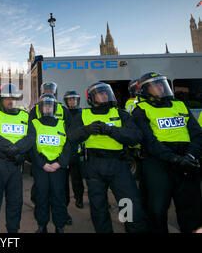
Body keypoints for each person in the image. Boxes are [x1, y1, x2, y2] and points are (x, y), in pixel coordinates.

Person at [69, 82, 148, 233]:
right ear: (91, 98)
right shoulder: (84, 115)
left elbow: (135, 136)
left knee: (127, 203)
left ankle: (131, 229)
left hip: (118, 165)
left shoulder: (120, 113)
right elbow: (71, 137)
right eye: (100, 93)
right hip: (94, 165)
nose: (105, 96)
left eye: (106, 93)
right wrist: (86, 130)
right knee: (98, 207)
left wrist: (110, 130)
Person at [132, 72, 202, 233]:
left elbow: (197, 134)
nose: (160, 88)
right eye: (154, 86)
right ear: (144, 91)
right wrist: (174, 159)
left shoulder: (180, 105)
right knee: (157, 210)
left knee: (192, 210)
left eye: (161, 84)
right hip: (159, 162)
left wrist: (190, 156)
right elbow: (149, 141)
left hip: (186, 159)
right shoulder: (140, 110)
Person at [0, 83, 34, 233]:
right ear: (1, 99)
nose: (11, 101)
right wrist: (10, 148)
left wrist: (18, 149)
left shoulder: (25, 115)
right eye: (7, 98)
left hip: (15, 167)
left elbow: (30, 137)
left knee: (15, 204)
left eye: (14, 98)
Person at [29, 81, 73, 225]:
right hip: (40, 162)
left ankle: (62, 217)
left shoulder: (63, 110)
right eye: (46, 90)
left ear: (55, 92)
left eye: (51, 90)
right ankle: (42, 222)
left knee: (60, 193)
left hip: (58, 163)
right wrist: (40, 162)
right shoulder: (34, 110)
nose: (48, 92)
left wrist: (61, 162)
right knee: (40, 193)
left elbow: (69, 137)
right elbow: (30, 138)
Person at [63, 90, 85, 209]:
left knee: (77, 178)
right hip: (66, 151)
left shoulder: (83, 113)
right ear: (66, 101)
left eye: (74, 99)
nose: (72, 101)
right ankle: (64, 201)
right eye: (70, 99)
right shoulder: (63, 113)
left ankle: (79, 198)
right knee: (64, 180)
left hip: (78, 151)